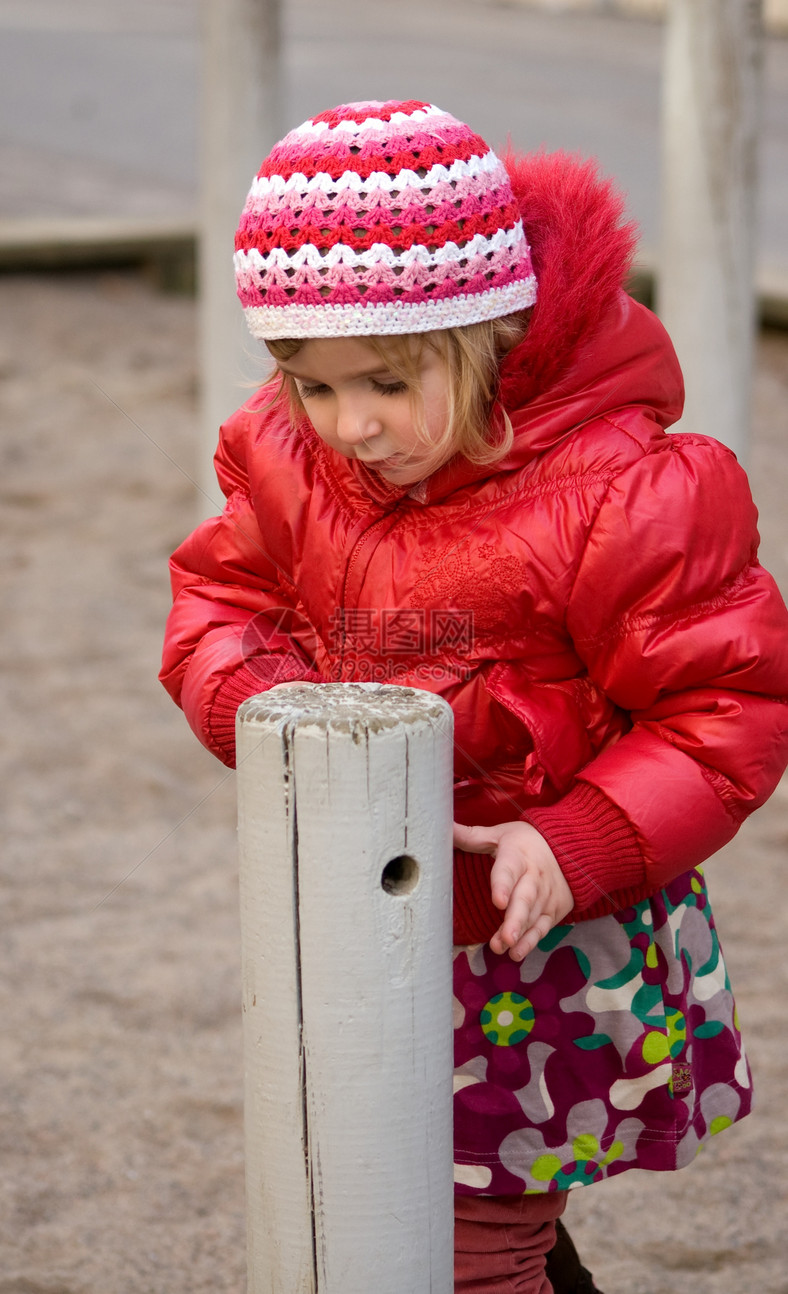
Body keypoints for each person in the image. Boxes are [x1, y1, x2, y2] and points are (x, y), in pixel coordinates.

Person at [160, 100, 788, 1293]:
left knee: (471, 1238)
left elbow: (725, 705)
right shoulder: (286, 454)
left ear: (486, 329)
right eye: (309, 383)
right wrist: (275, 711)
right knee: (411, 1198)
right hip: (356, 909)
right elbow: (215, 601)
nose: (351, 426)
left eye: (387, 382)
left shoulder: (623, 491)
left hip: (538, 928)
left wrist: (580, 837)